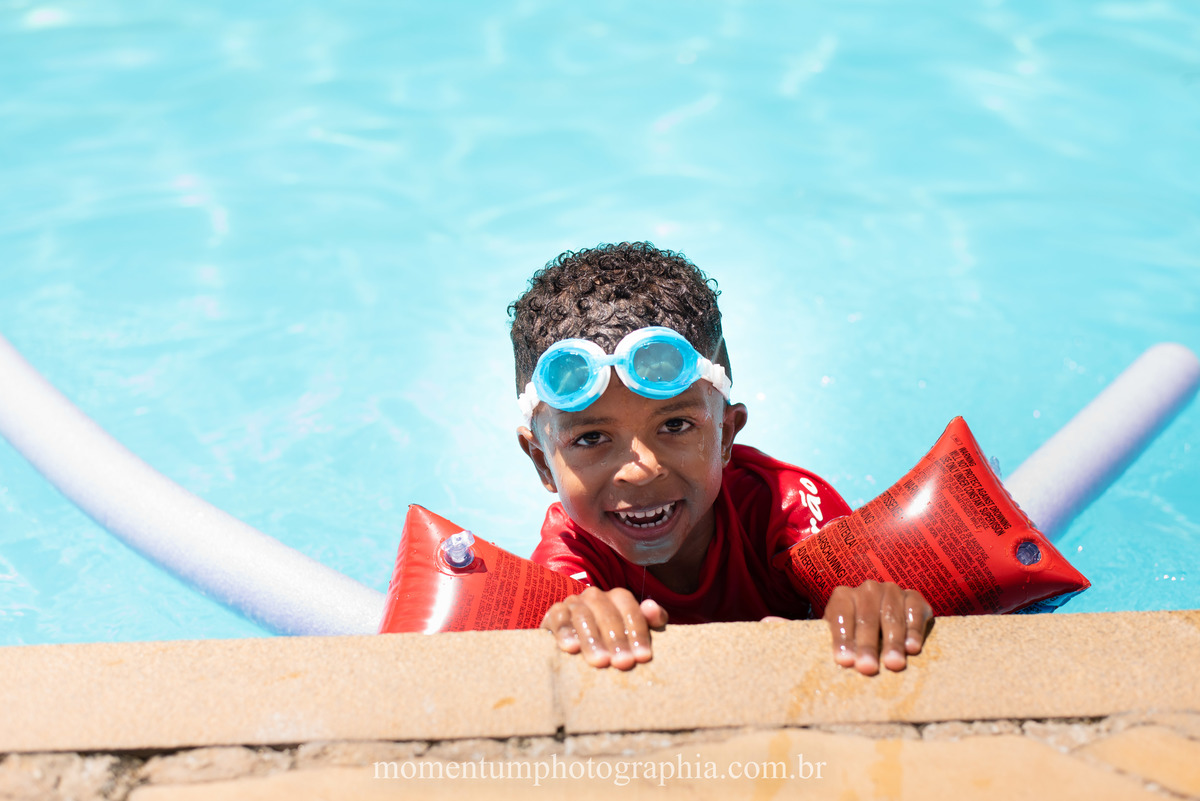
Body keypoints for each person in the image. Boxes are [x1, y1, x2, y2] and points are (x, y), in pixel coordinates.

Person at [509, 242, 932, 675]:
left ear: (726, 434)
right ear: (542, 462)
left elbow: (871, 596)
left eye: (675, 426)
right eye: (592, 437)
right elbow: (554, 622)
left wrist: (874, 603)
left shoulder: (784, 509)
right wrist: (573, 619)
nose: (641, 469)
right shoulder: (571, 554)